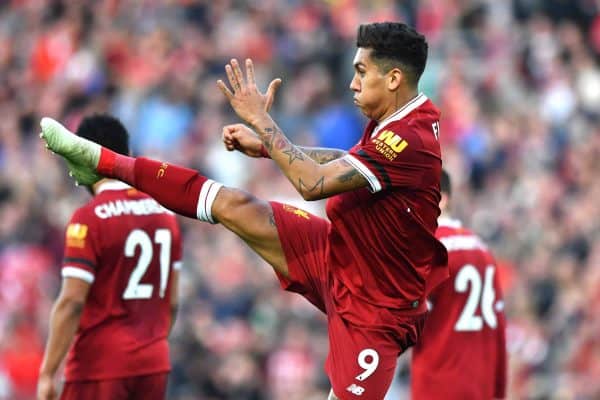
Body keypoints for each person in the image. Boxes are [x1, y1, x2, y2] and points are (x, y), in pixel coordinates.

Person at [40, 22, 448, 400]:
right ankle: (103, 161)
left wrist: (261, 121)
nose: (352, 83)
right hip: (339, 257)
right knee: (235, 204)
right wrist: (267, 144)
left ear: (393, 78)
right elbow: (345, 161)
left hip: (377, 313)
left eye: (362, 72)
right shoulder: (398, 119)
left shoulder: (408, 138)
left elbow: (313, 184)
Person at [37, 115, 183, 400]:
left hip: (100, 365)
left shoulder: (89, 219)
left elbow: (72, 302)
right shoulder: (165, 216)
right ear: (127, 155)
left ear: (81, 156)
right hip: (153, 363)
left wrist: (47, 372)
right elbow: (173, 302)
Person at [410, 170, 507, 399]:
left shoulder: (430, 250)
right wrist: (498, 391)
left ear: (441, 200)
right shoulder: (483, 251)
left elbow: (403, 317)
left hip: (438, 383)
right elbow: (498, 328)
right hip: (481, 386)